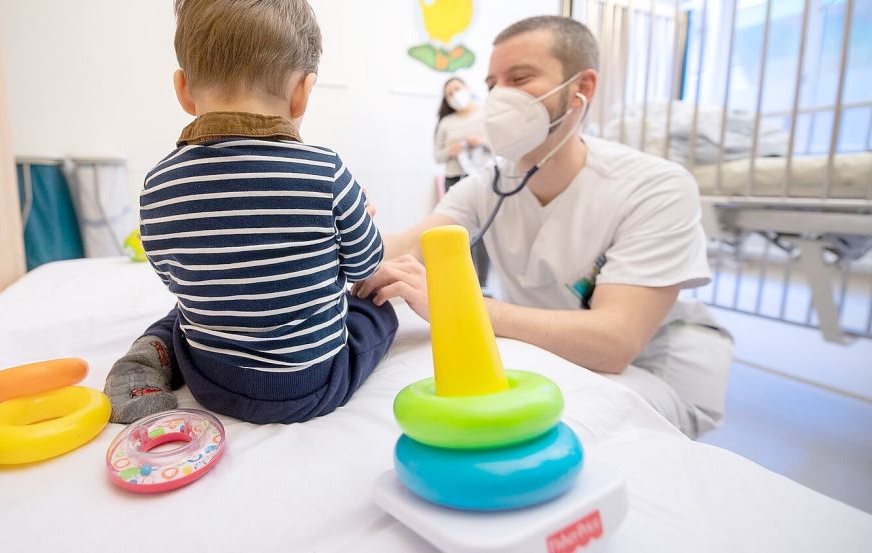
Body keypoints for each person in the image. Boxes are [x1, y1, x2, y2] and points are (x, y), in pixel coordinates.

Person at [354, 16, 733, 439]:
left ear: (581, 89)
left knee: (540, 422)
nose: (499, 97)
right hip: (552, 348)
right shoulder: (490, 182)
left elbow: (614, 342)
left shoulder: (655, 187)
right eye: (493, 83)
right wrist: (340, 224)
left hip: (654, 366)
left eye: (520, 78)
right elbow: (408, 245)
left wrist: (457, 306)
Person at [104, 0, 398, 425]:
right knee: (376, 309)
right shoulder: (326, 170)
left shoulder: (158, 183)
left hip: (209, 379)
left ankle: (151, 352)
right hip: (309, 385)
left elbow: (174, 276)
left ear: (183, 89)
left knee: (189, 307)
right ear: (302, 93)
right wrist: (358, 220)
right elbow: (365, 264)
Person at [434, 77, 491, 285]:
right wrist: (451, 150)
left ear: (467, 87)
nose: (455, 95)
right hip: (454, 180)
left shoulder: (486, 114)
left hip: (481, 179)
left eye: (457, 89)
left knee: (482, 232)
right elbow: (437, 156)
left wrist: (481, 142)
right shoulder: (446, 123)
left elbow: (500, 145)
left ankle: (482, 283)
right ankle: (464, 281)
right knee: (458, 232)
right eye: (449, 94)